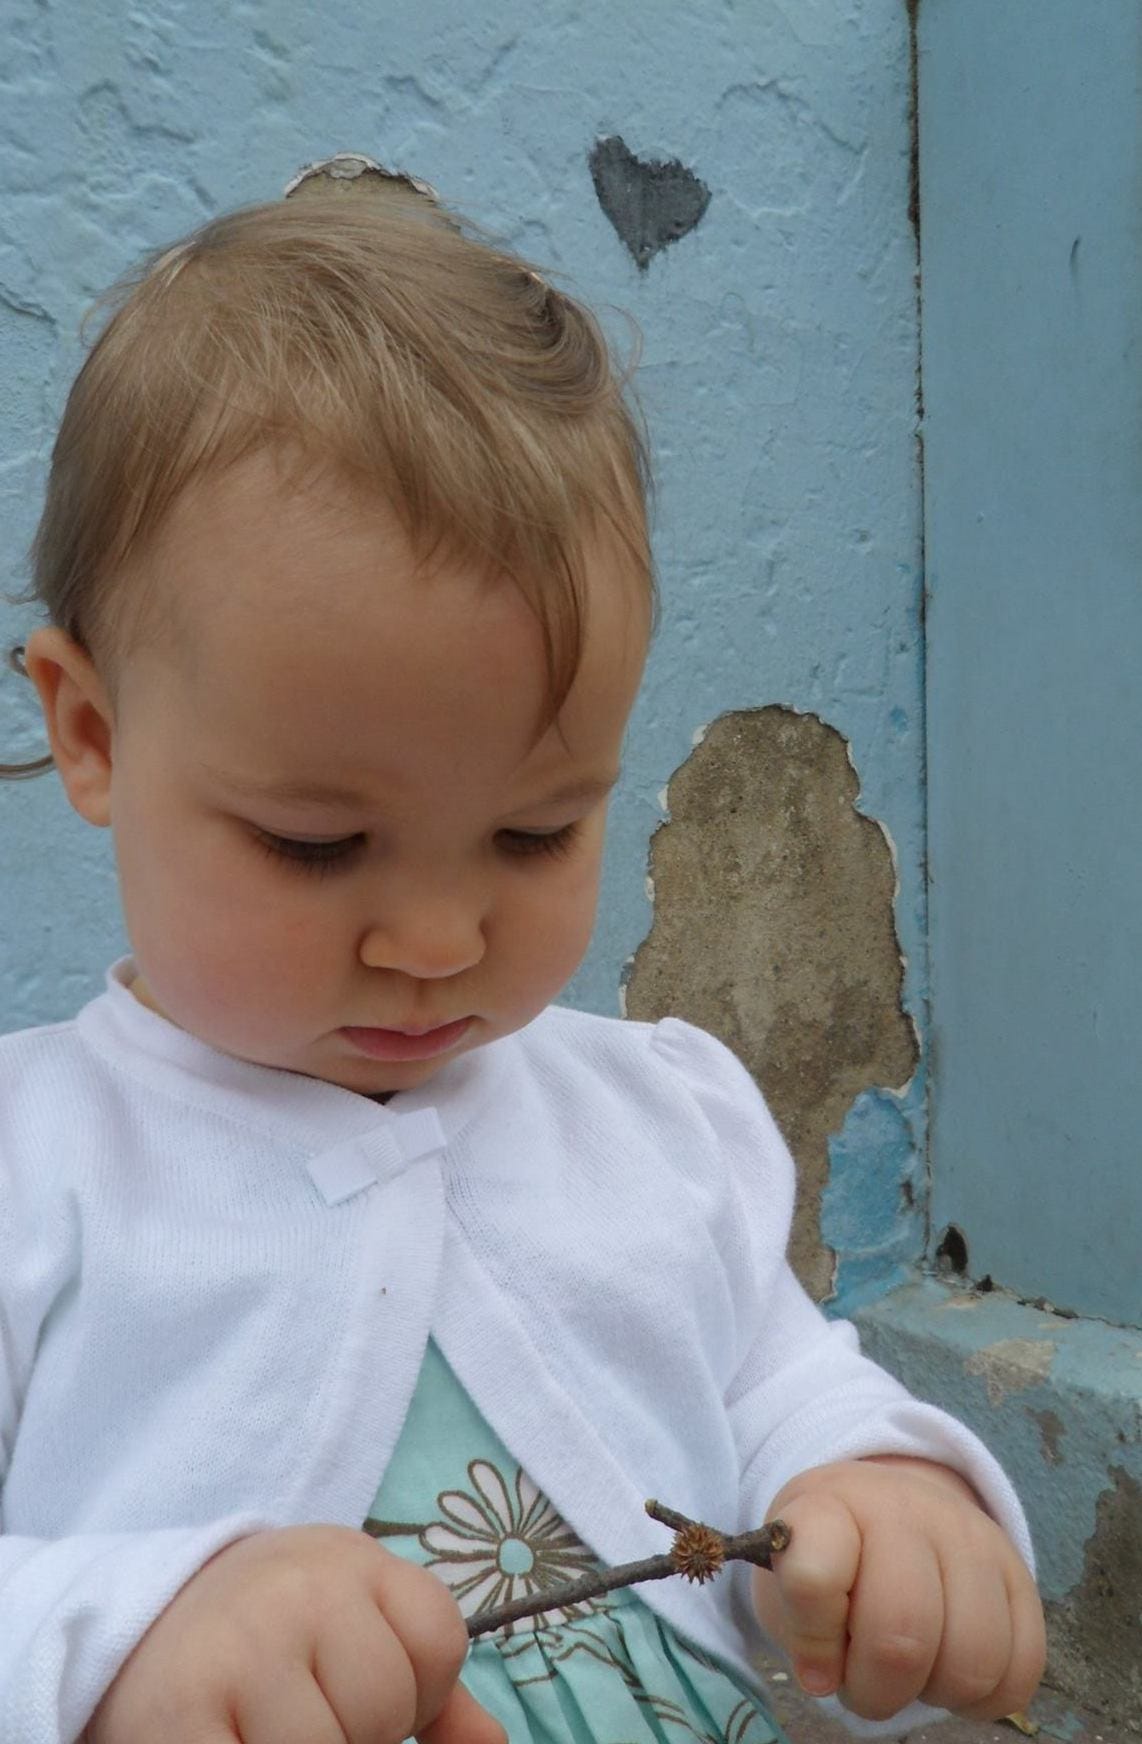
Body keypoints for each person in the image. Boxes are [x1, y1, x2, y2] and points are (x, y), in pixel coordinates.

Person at [0, 157, 1045, 1744]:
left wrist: (882, 1496)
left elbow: (778, 1390)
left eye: (535, 832)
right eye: (315, 845)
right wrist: (120, 1640)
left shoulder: (659, 1122)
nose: (436, 942)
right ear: (91, 731)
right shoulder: (38, 1165)